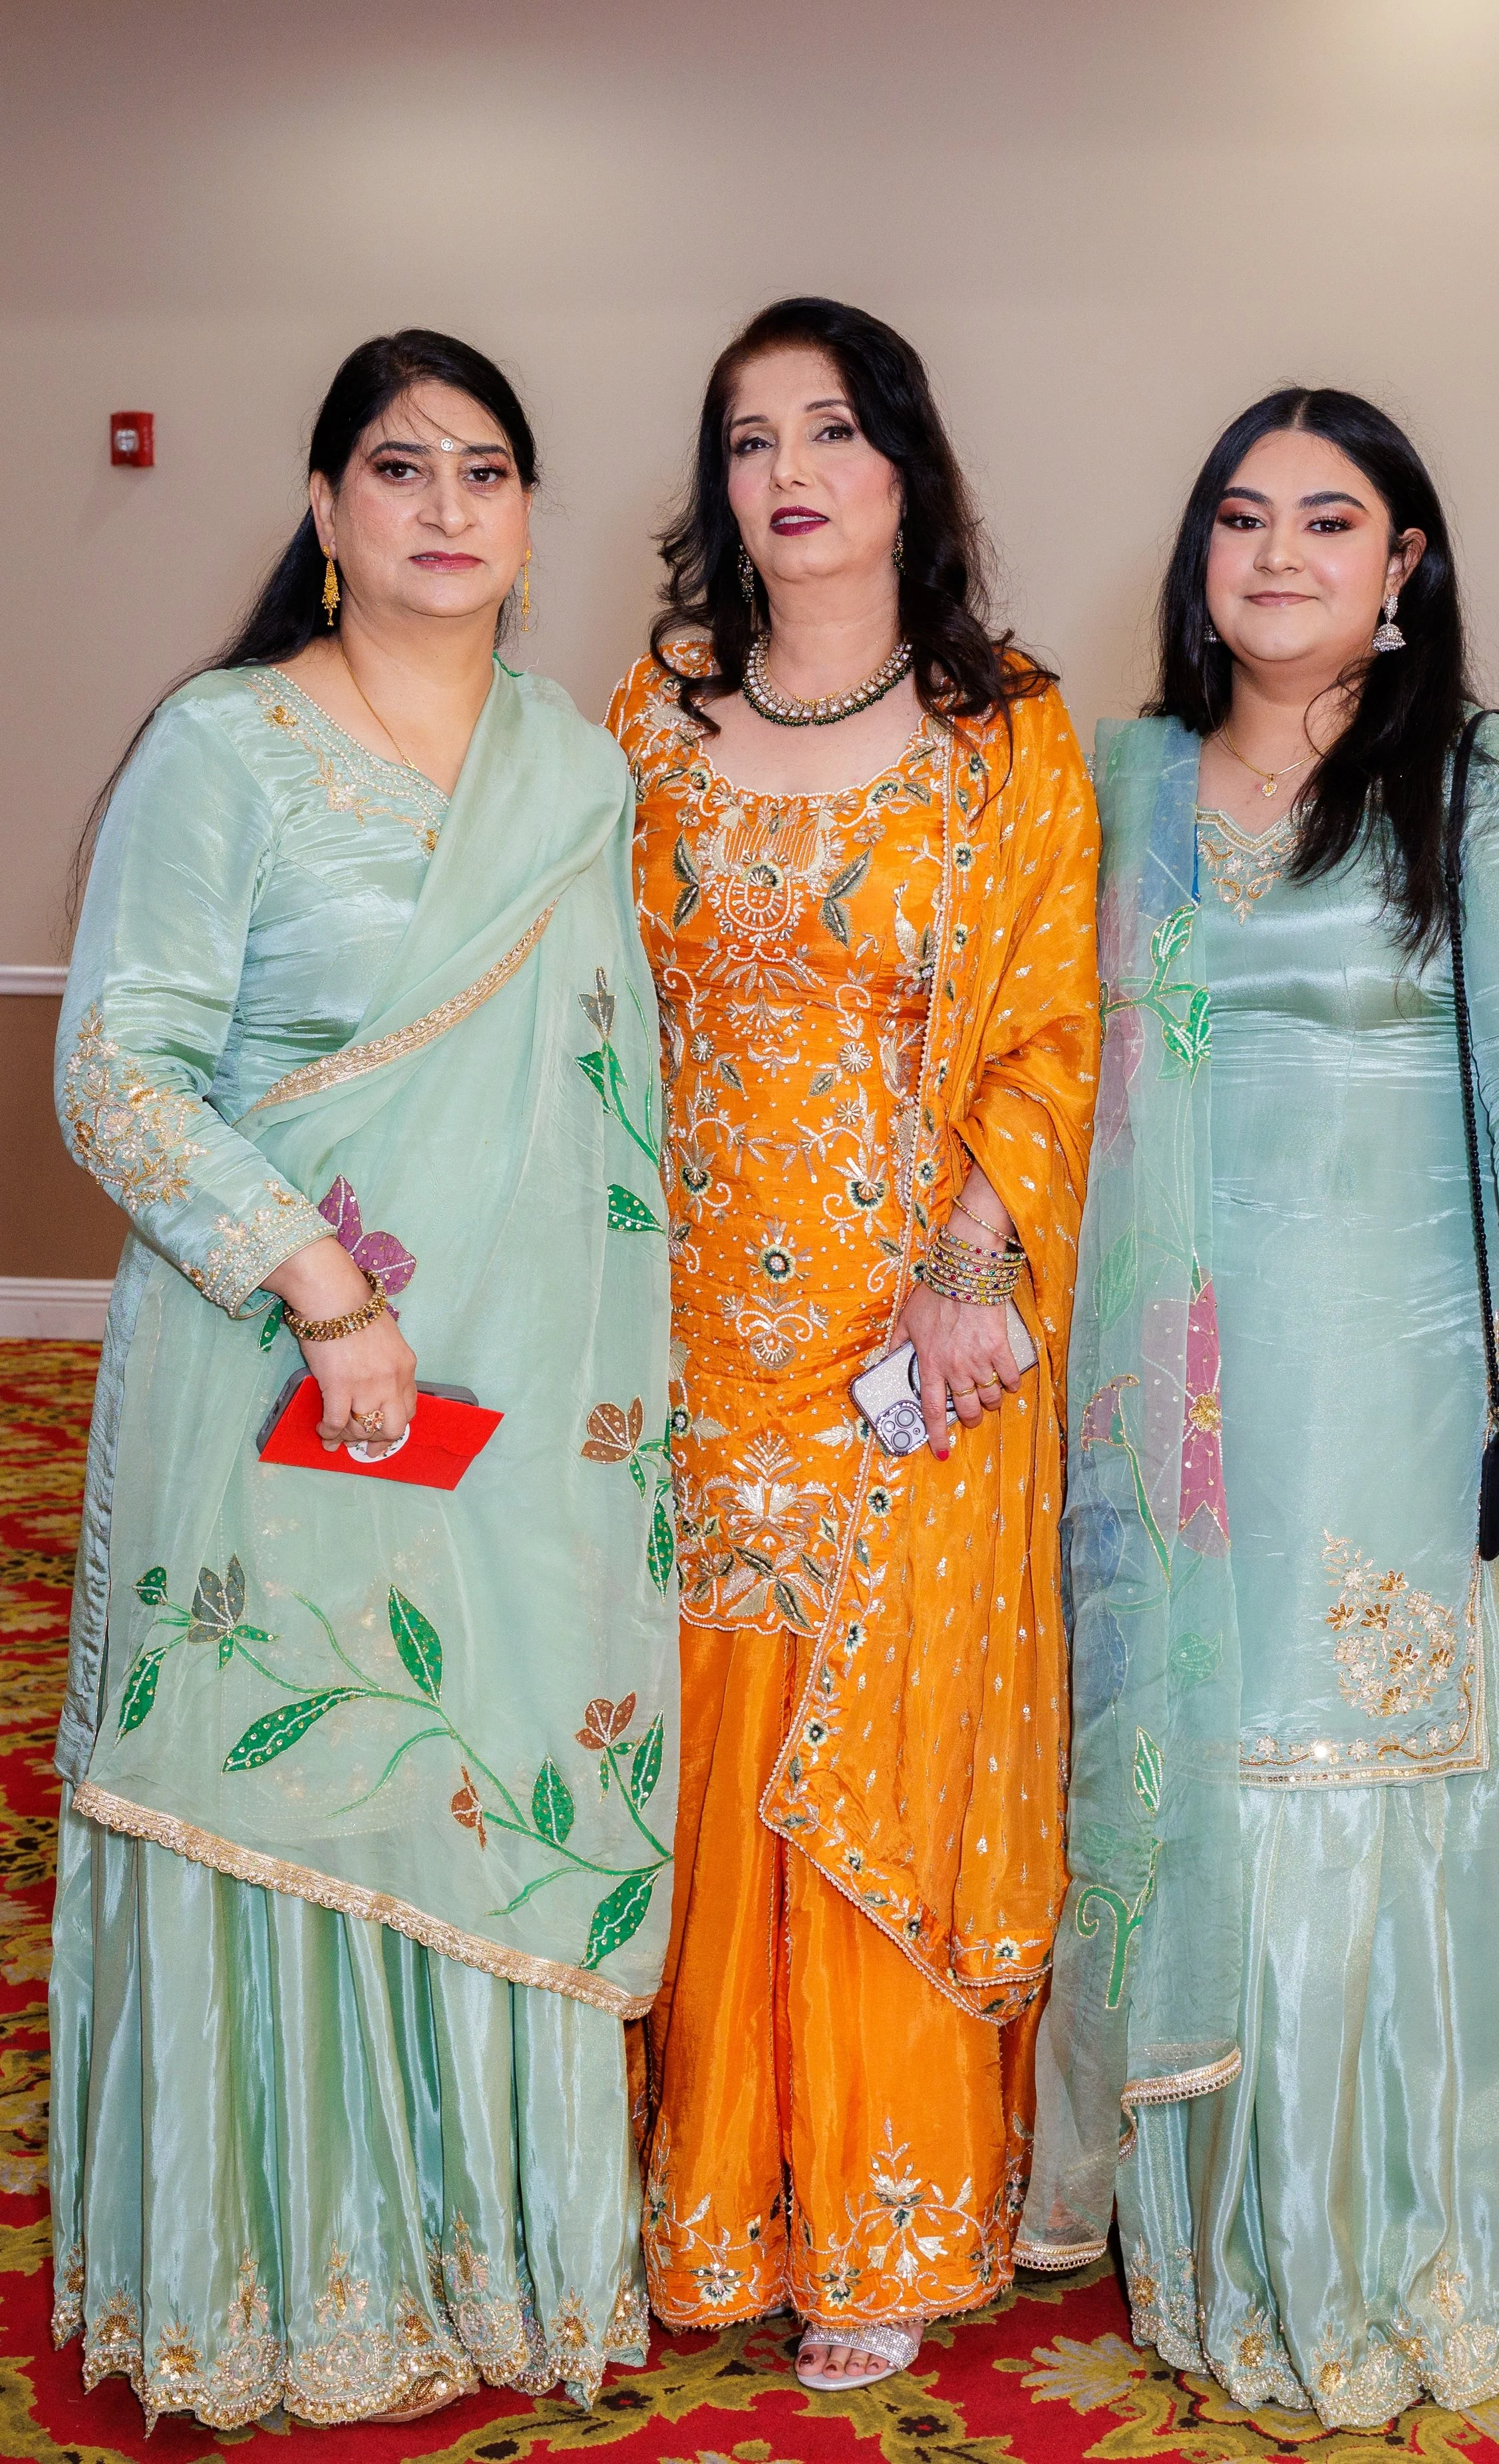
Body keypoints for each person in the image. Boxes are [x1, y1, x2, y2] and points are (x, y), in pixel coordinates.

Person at [49, 331, 677, 2429]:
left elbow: (617, 1120)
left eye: (484, 469)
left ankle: (468, 2265)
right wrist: (316, 1282)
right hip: (269, 1382)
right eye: (394, 468)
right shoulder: (222, 748)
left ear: (523, 517)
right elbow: (109, 1069)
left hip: (516, 1400)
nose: (441, 504)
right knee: (282, 1779)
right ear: (322, 513)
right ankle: (272, 2283)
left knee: (471, 1764)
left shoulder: (573, 774)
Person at [1017, 387, 1499, 2425]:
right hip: (1154, 1393)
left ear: (1403, 567)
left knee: (1359, 1781)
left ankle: (1380, 2231)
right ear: (1195, 561)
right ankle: (1201, 2226)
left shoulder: (1480, 780)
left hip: (1381, 1389)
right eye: (1238, 515)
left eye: (1328, 517)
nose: (1276, 550)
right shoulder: (1110, 781)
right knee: (1182, 1779)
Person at [606, 297, 1100, 2386]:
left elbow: (1046, 1031)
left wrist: (968, 1270)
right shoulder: (648, 715)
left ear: (906, 462)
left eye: (828, 428)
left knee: (878, 1747)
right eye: (746, 438)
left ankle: (886, 2219)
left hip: (914, 1336)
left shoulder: (1009, 732)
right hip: (678, 1313)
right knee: (707, 1742)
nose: (787, 469)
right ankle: (712, 2204)